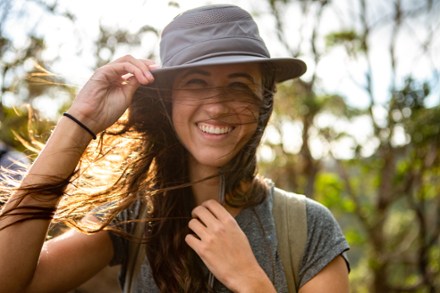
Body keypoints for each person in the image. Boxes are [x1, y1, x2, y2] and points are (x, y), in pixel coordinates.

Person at [0, 4, 349, 293]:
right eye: (196, 83)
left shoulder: (309, 227)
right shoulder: (134, 216)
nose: (216, 107)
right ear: (168, 103)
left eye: (239, 85)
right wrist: (80, 121)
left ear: (263, 102)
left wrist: (250, 280)